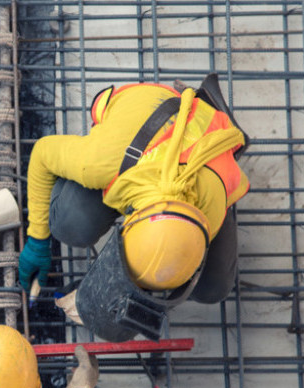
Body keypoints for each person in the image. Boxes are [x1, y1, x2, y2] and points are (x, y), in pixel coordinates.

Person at [18, 76, 250, 327]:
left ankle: (215, 114)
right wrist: (37, 239)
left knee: (212, 288)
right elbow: (42, 154)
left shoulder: (213, 206)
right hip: (145, 114)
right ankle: (200, 102)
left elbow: (162, 262)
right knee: (69, 223)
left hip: (207, 151)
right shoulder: (100, 162)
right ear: (129, 222)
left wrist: (103, 292)